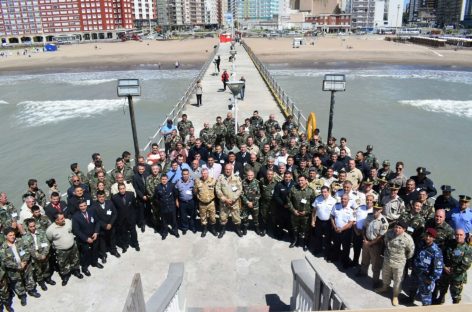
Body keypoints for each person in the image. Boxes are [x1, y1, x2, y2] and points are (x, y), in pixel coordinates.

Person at [375, 221, 415, 306]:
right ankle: (384, 287)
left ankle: (395, 295)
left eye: (399, 228)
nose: (396, 229)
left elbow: (410, 252)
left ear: (404, 229)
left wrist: (402, 258)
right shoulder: (389, 233)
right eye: (396, 227)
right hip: (387, 260)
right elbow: (386, 242)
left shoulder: (408, 238)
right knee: (385, 275)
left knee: (398, 281)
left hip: (399, 263)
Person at [1, 227, 40, 306]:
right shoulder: (3, 248)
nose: (13, 236)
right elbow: (5, 261)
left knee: (29, 278)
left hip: (25, 265)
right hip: (13, 270)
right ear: (5, 236)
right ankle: (22, 296)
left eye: (13, 234)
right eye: (10, 235)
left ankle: (31, 290)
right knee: (18, 283)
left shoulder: (20, 241)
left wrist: (24, 262)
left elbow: (27, 250)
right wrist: (18, 265)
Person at [434, 228, 472, 304]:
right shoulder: (449, 244)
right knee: (442, 289)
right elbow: (441, 256)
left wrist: (452, 271)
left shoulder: (467, 249)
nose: (459, 236)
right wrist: (444, 267)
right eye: (457, 235)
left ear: (464, 236)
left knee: (456, 295)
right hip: (446, 272)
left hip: (457, 275)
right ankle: (440, 300)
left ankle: (456, 306)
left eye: (461, 235)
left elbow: (465, 265)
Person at [45, 213, 83, 286]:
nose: (64, 220)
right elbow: (50, 239)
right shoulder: (50, 230)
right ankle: (65, 276)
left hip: (73, 247)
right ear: (56, 220)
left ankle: (76, 271)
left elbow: (72, 230)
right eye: (61, 219)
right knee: (63, 264)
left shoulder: (68, 222)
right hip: (61, 251)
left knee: (75, 260)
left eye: (63, 217)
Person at [358, 204, 389, 288]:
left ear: (381, 210)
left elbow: (381, 236)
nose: (375, 211)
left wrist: (370, 243)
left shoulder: (383, 221)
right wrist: (364, 239)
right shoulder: (369, 216)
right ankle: (363, 272)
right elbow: (364, 228)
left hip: (375, 244)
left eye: (378, 209)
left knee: (375, 264)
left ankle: (375, 281)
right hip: (366, 242)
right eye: (374, 208)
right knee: (365, 259)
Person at [411, 228, 443, 306]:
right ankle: (410, 299)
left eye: (430, 236)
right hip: (417, 273)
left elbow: (438, 269)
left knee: (426, 297)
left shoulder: (436, 251)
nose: (428, 238)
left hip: (426, 277)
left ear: (434, 238)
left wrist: (430, 279)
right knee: (412, 289)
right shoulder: (421, 244)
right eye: (427, 235)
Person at [22, 218, 55, 291]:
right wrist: (39, 256)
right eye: (31, 226)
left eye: (34, 226)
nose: (33, 228)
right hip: (35, 257)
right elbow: (29, 249)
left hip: (44, 254)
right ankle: (41, 282)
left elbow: (47, 243)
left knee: (46, 267)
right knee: (38, 270)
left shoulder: (41, 232)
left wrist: (44, 254)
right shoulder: (25, 237)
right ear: (27, 227)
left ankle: (48, 278)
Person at [72, 200, 102, 277]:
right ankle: (85, 268)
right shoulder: (75, 217)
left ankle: (95, 262)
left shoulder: (91, 211)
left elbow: (97, 222)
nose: (83, 207)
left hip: (94, 236)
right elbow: (76, 231)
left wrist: (96, 232)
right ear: (78, 207)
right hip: (84, 240)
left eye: (84, 205)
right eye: (81, 206)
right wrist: (86, 238)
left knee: (95, 250)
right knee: (85, 254)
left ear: (86, 205)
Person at [215, 163, 243, 238]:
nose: (227, 171)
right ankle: (222, 230)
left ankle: (238, 229)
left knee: (236, 217)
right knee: (223, 217)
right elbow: (217, 189)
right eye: (226, 169)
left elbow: (240, 189)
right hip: (224, 202)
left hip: (234, 202)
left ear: (232, 170)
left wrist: (233, 199)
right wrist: (224, 199)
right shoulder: (221, 177)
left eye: (229, 169)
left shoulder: (236, 178)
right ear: (224, 169)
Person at [92, 190, 119, 263]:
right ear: (97, 198)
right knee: (102, 242)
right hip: (102, 228)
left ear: (105, 196)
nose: (101, 198)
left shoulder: (109, 203)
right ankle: (103, 255)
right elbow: (96, 219)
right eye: (99, 197)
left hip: (111, 226)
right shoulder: (94, 206)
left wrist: (110, 224)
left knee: (112, 239)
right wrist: (105, 225)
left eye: (103, 196)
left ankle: (114, 250)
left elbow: (115, 214)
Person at [111, 183, 139, 253]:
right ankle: (124, 245)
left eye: (123, 188)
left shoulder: (131, 194)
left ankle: (136, 244)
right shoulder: (114, 198)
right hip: (121, 219)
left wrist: (134, 216)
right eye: (120, 189)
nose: (122, 190)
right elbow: (114, 210)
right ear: (118, 189)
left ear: (125, 188)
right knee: (123, 233)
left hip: (131, 218)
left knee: (133, 232)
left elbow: (135, 206)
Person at [330, 194, 356, 267]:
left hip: (346, 232)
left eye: (345, 199)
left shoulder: (351, 210)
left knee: (346, 248)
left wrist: (341, 229)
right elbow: (332, 216)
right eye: (342, 199)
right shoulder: (336, 206)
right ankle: (335, 258)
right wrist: (334, 226)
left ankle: (345, 262)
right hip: (336, 230)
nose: (343, 200)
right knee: (336, 245)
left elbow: (351, 223)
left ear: (348, 200)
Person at [194, 168, 218, 237]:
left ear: (208, 173)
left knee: (212, 217)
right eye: (203, 173)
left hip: (211, 203)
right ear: (201, 174)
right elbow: (195, 191)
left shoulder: (213, 180)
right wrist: (200, 197)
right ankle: (204, 230)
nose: (204, 175)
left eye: (205, 173)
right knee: (203, 218)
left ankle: (213, 229)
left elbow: (217, 190)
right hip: (202, 204)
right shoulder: (197, 181)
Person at [154, 175, 179, 240]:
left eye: (165, 179)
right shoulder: (157, 187)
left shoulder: (172, 185)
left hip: (171, 206)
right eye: (162, 179)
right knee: (164, 221)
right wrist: (160, 204)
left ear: (167, 179)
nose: (164, 180)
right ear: (160, 180)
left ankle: (175, 231)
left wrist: (176, 202)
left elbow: (176, 194)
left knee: (174, 220)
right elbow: (156, 198)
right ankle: (164, 233)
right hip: (163, 207)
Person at [273, 171, 295, 239]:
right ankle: (280, 234)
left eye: (289, 177)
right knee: (281, 222)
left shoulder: (295, 184)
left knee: (291, 223)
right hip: (282, 208)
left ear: (291, 177)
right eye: (286, 177)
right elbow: (276, 196)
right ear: (283, 177)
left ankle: (292, 236)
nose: (287, 178)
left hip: (292, 208)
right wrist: (283, 204)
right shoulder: (279, 184)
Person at [240, 170, 261, 236]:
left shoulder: (257, 182)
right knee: (245, 217)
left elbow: (259, 194)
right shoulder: (243, 182)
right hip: (246, 204)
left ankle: (257, 228)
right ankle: (245, 228)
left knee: (255, 217)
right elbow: (241, 193)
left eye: (251, 175)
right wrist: (247, 202)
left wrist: (252, 203)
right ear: (246, 175)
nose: (250, 177)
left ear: (254, 175)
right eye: (248, 175)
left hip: (255, 204)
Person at [175, 169, 196, 234]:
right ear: (182, 175)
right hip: (182, 202)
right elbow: (176, 193)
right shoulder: (178, 182)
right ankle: (185, 228)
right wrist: (177, 201)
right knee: (183, 216)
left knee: (192, 215)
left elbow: (195, 192)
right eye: (184, 174)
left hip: (191, 201)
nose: (185, 175)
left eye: (187, 174)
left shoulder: (192, 182)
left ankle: (192, 227)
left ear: (189, 174)